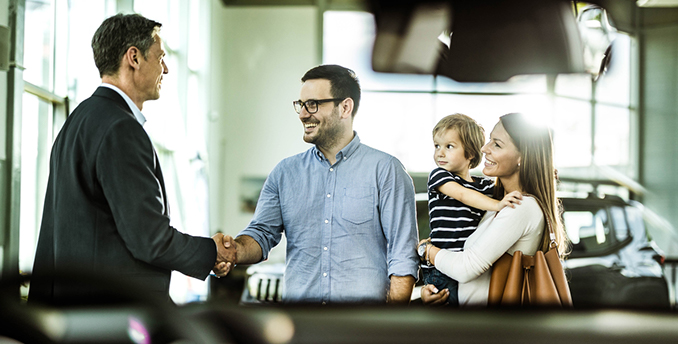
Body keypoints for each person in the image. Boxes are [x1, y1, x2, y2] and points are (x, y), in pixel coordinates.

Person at [29, 13, 235, 305]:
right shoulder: (121, 128)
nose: (165, 68)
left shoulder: (79, 120)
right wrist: (212, 253)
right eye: (160, 57)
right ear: (134, 58)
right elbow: (150, 239)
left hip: (73, 308)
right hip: (109, 312)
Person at [220, 64, 419, 304]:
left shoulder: (386, 170)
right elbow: (261, 234)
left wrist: (388, 323)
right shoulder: (285, 173)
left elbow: (403, 256)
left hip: (363, 327)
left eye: (313, 104)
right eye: (301, 105)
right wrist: (232, 250)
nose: (304, 114)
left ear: (345, 107)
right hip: (302, 324)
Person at [419, 112, 569, 306]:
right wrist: (433, 288)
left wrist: (425, 249)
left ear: (522, 157)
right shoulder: (496, 202)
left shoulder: (521, 206)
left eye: (496, 144)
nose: (484, 148)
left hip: (490, 329)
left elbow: (466, 267)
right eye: (489, 140)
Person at [420, 114, 522, 306]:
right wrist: (497, 205)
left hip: (470, 267)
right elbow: (462, 195)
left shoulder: (484, 186)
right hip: (443, 268)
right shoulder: (439, 177)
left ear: (470, 154)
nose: (440, 153)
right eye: (436, 146)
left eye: (449, 146)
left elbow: (514, 189)